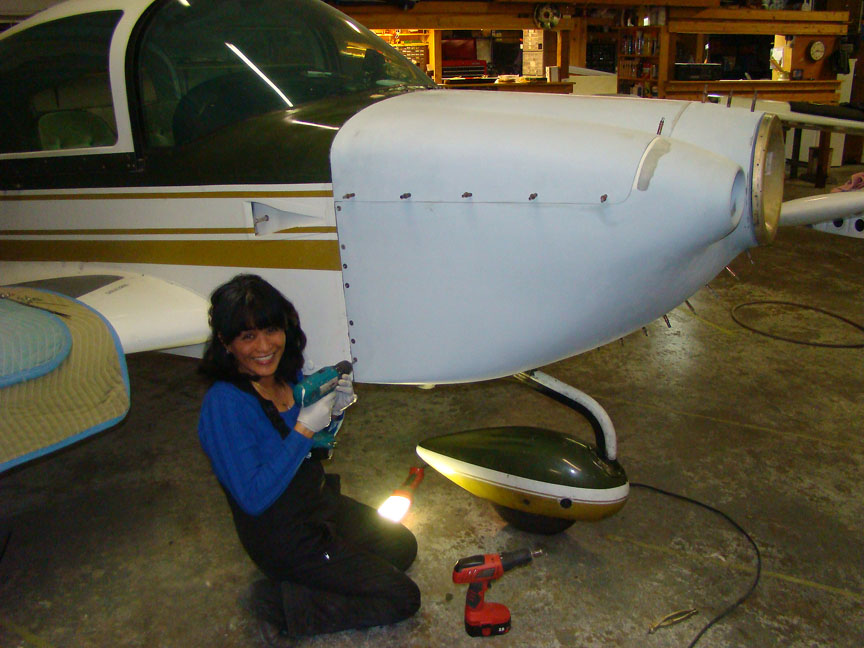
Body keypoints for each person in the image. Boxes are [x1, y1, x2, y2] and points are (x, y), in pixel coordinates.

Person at [197, 274, 420, 646]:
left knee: (401, 546)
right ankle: (279, 603)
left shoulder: (287, 377)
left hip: (315, 504)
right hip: (282, 535)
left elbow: (310, 452)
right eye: (247, 336)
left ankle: (323, 573)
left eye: (271, 330)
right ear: (225, 342)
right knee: (401, 597)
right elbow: (253, 497)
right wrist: (303, 429)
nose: (264, 346)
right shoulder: (224, 406)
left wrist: (333, 414)